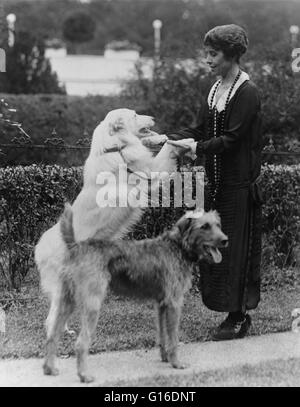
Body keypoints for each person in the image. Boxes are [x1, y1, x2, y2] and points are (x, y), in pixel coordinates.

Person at [167, 24, 263, 340]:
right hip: (217, 184)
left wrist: (195, 148)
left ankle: (238, 317)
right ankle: (229, 313)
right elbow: (199, 130)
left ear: (231, 55)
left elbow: (231, 140)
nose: (207, 60)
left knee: (235, 250)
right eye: (206, 53)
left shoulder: (247, 92)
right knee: (215, 249)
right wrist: (167, 140)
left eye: (213, 54)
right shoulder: (215, 89)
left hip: (238, 186)